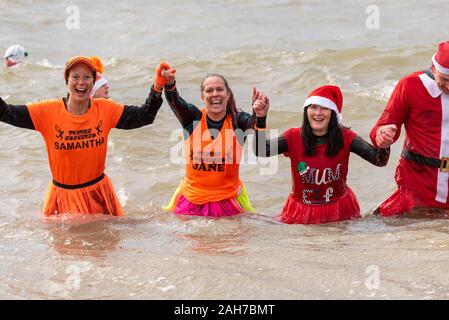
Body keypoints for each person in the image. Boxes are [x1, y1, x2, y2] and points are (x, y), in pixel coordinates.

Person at [0, 56, 163, 216]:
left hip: (98, 194)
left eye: (87, 77)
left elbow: (144, 116)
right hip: (63, 197)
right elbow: (5, 112)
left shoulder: (105, 109)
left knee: (104, 241)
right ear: (67, 81)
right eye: (75, 77)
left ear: (93, 82)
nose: (81, 82)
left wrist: (157, 86)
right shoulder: (46, 111)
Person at [255, 85, 390, 224]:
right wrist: (260, 117)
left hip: (339, 209)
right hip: (302, 211)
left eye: (324, 108)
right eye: (313, 107)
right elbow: (261, 151)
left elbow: (379, 160)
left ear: (333, 113)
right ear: (306, 111)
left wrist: (385, 144)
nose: (318, 113)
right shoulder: (293, 137)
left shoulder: (345, 137)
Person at [155, 62, 269, 217]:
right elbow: (175, 102)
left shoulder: (238, 120)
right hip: (191, 199)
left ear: (228, 95)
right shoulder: (192, 118)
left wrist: (260, 115)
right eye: (209, 90)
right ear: (203, 97)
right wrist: (169, 83)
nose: (215, 93)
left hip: (229, 199)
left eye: (220, 89)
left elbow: (258, 137)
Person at [370, 40, 449, 217]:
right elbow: (382, 126)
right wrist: (382, 135)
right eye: (444, 80)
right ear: (433, 69)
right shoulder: (410, 85)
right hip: (418, 181)